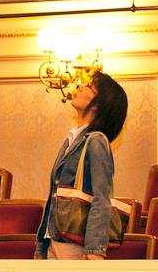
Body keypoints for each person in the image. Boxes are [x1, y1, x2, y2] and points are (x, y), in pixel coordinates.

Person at [34, 72, 129, 261]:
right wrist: (41, 245)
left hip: (74, 242)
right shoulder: (71, 140)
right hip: (55, 238)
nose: (79, 87)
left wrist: (94, 249)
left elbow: (101, 198)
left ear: (97, 105)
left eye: (88, 87)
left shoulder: (96, 141)